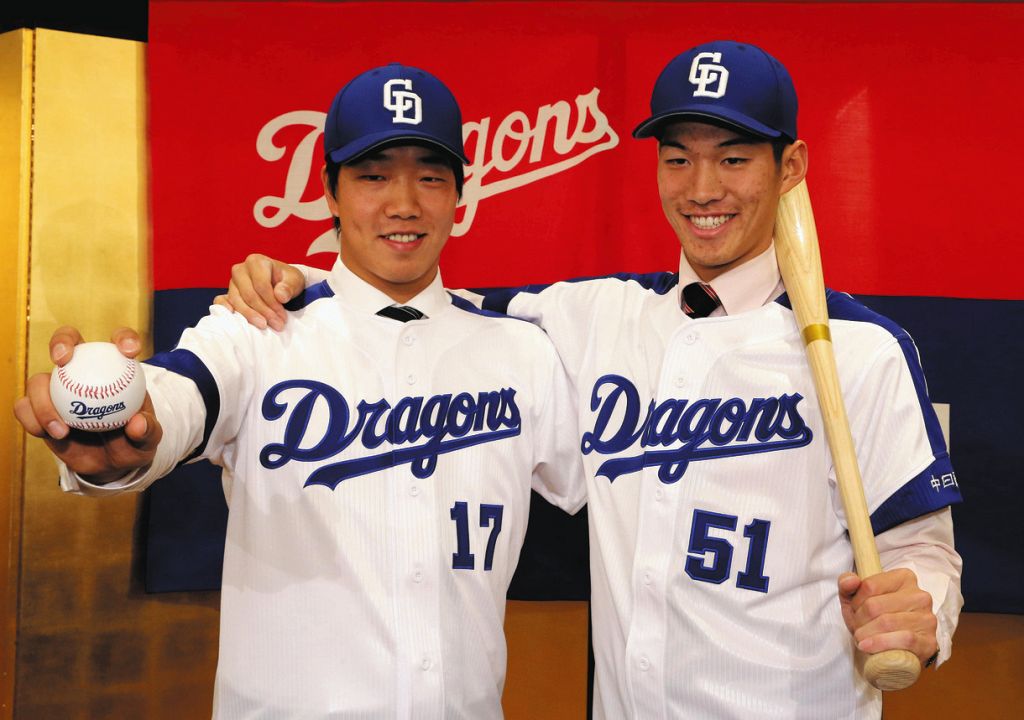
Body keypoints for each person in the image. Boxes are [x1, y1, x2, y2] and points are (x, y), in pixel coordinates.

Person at [216, 41, 963, 718]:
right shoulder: (594, 318)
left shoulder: (861, 350)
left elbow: (924, 552)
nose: (702, 188)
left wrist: (922, 608)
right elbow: (424, 305)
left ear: (790, 167)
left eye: (734, 159)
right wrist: (303, 281)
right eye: (678, 159)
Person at [14, 63, 585, 719]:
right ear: (330, 192)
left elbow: (622, 487)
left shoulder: (520, 351)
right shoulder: (258, 328)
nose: (404, 203)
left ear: (460, 193)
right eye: (373, 176)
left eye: (431, 176)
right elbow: (178, 398)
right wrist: (123, 438)